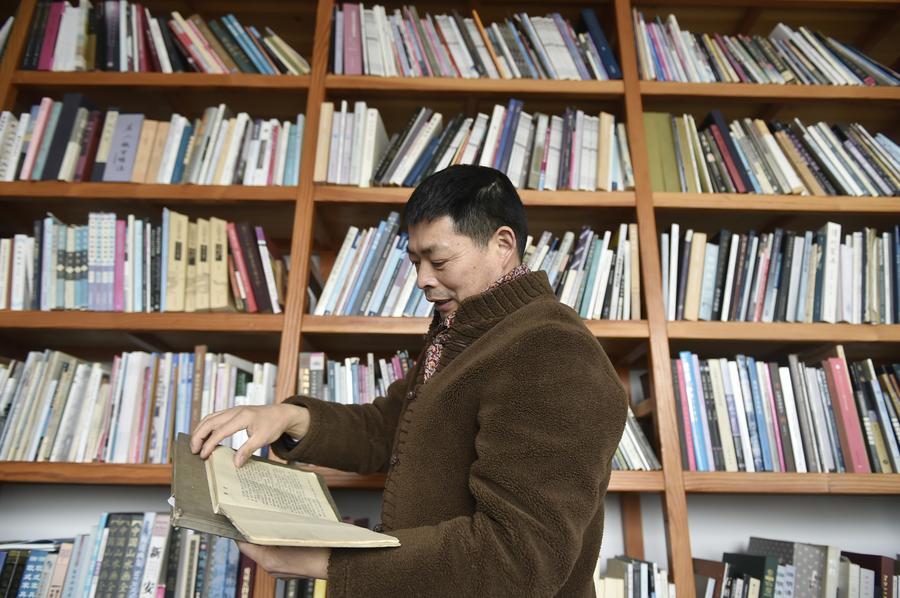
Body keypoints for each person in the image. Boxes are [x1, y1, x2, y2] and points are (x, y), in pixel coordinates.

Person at [190, 164, 628, 597]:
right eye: (416, 261)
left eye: (439, 261)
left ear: (502, 244)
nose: (422, 279)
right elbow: (389, 428)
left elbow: (517, 559)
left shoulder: (551, 349)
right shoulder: (467, 331)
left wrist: (326, 563)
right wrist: (288, 417)